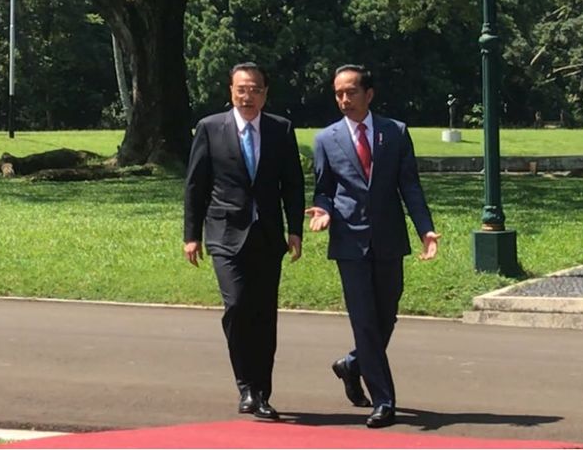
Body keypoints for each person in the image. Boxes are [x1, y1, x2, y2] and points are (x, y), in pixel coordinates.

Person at [305, 64, 440, 428]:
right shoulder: (326, 139)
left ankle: (352, 364)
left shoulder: (394, 133)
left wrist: (425, 230)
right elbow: (324, 189)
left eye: (350, 92)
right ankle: (384, 400)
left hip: (389, 239)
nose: (344, 100)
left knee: (386, 316)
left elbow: (409, 186)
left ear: (369, 94)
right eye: (338, 94)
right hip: (349, 241)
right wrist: (324, 211)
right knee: (364, 321)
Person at [183, 62, 305, 420]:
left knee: (264, 315)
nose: (247, 96)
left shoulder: (280, 129)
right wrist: (191, 236)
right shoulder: (209, 128)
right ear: (230, 91)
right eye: (241, 89)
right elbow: (195, 186)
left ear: (265, 94)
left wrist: (294, 229)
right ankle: (245, 386)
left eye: (254, 89)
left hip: (267, 236)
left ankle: (262, 392)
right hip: (224, 233)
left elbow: (292, 184)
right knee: (237, 306)